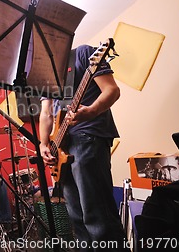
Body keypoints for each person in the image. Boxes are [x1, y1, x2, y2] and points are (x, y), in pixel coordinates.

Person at [39, 44, 128, 251]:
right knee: (77, 218)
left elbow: (112, 90)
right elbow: (47, 113)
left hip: (88, 136)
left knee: (97, 214)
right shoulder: (46, 73)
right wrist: (44, 144)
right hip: (63, 147)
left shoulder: (84, 53)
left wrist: (92, 110)